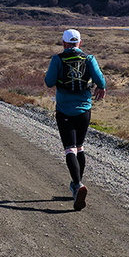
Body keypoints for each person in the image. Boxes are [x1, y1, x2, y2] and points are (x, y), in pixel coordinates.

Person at [44, 28, 106, 211]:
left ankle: (77, 185)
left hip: (64, 110)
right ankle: (76, 184)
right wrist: (101, 88)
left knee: (69, 149)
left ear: (63, 43)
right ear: (80, 43)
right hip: (84, 110)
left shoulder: (58, 59)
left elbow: (49, 82)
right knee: (80, 147)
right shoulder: (89, 59)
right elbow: (100, 80)